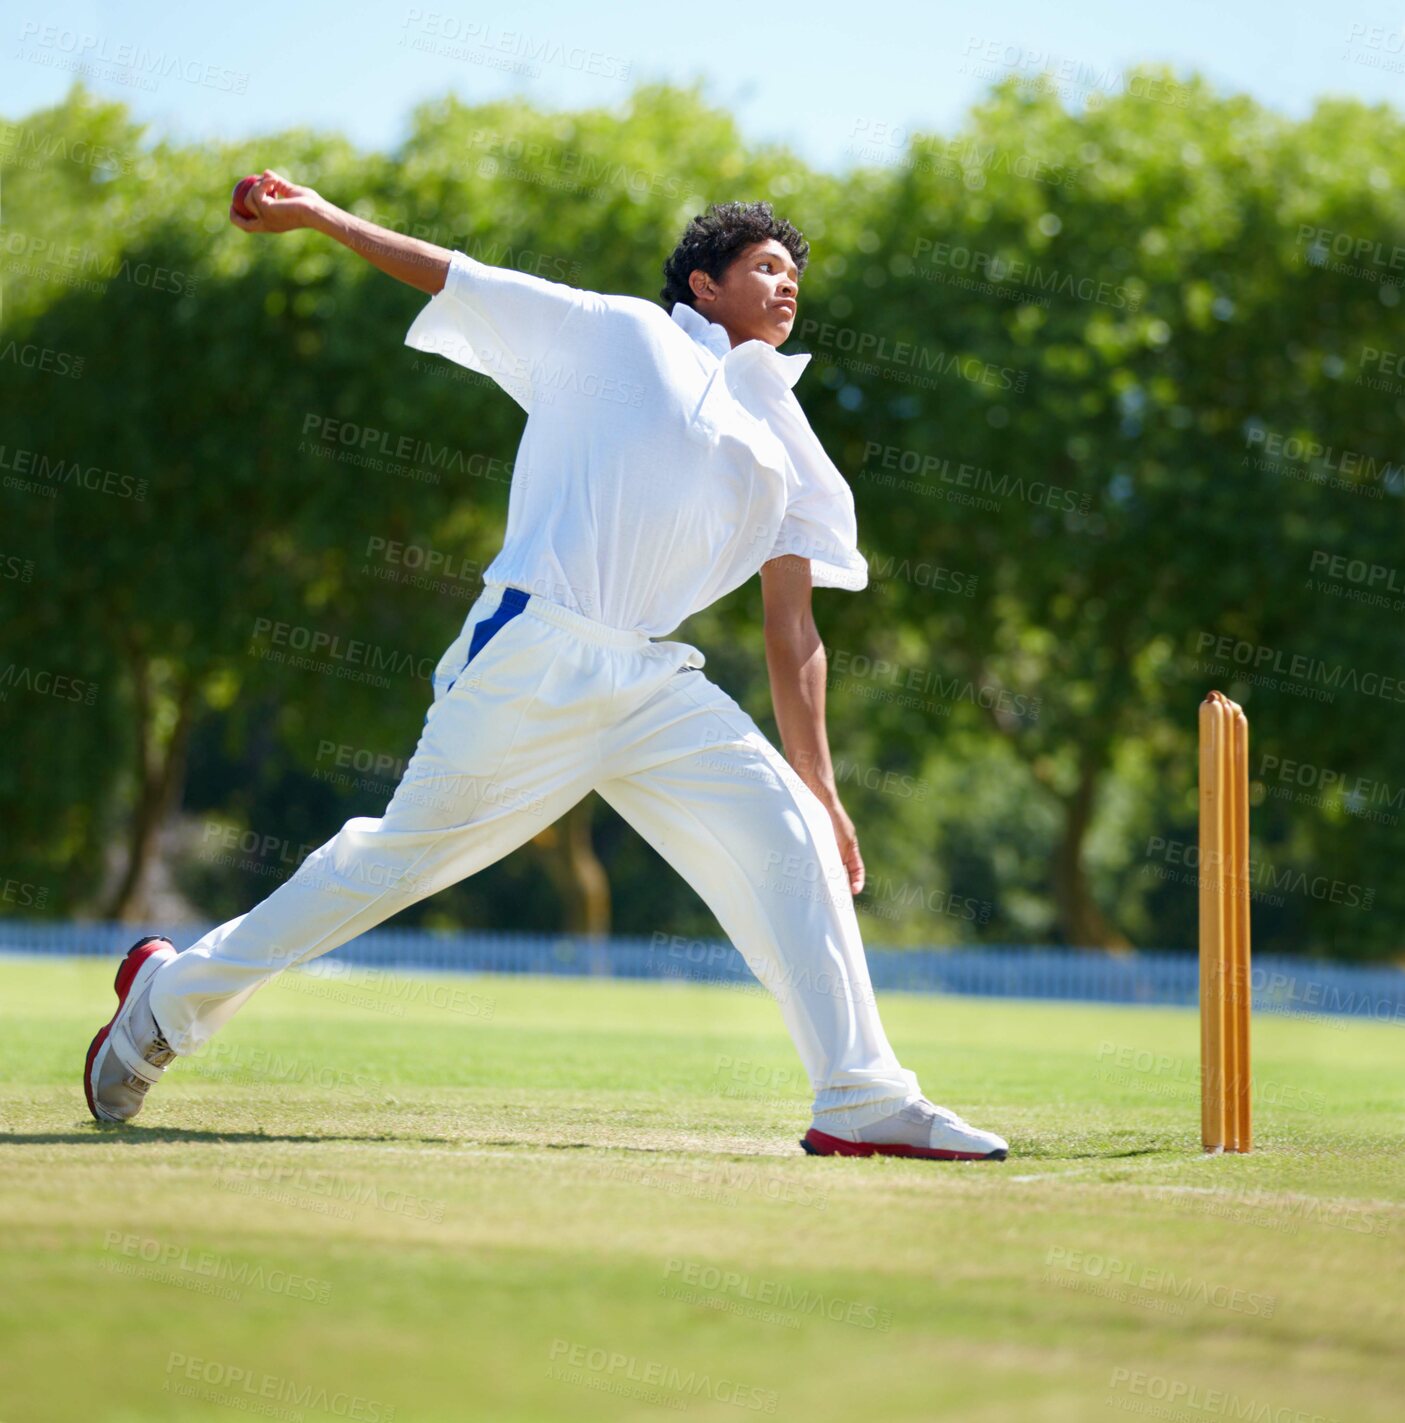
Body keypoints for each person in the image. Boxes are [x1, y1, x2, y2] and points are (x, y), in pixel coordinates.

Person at [83, 170, 1009, 1162]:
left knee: (792, 836)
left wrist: (822, 789)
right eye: (765, 267)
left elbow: (793, 630)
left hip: (652, 681)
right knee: (394, 863)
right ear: (703, 285)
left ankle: (862, 1097)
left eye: (795, 277)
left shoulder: (786, 441)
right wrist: (316, 215)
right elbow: (453, 275)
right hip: (536, 652)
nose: (788, 286)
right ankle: (166, 1001)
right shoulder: (619, 333)